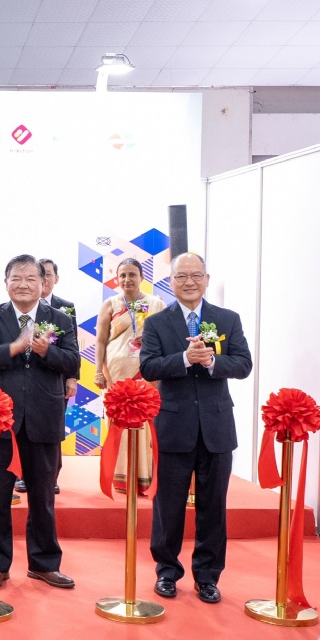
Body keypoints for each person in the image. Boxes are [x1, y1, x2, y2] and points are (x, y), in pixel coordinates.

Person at [141, 252, 252, 604]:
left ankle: (207, 577)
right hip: (174, 426)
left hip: (217, 427)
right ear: (170, 282)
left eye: (195, 275)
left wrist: (213, 361)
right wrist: (185, 359)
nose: (189, 282)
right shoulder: (157, 323)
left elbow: (243, 364)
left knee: (213, 506)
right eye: (181, 276)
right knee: (168, 505)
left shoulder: (227, 319)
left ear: (206, 279)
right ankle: (167, 572)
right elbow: (148, 367)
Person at [0, 254, 79, 591]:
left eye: (31, 278)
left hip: (44, 417)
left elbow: (73, 361)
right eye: (16, 278)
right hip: (0, 422)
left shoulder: (60, 318)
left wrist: (47, 353)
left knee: (43, 497)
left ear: (43, 283)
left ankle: (44, 564)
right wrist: (14, 348)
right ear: (6, 283)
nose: (23, 285)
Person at [93, 258, 167, 495]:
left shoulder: (156, 304)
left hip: (147, 372)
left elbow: (166, 339)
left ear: (142, 277)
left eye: (132, 274)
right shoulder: (110, 304)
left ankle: (144, 476)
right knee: (120, 421)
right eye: (122, 275)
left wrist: (152, 342)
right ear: (117, 278)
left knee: (145, 421)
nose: (127, 279)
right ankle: (121, 476)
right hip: (116, 373)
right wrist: (98, 371)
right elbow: (100, 341)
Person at [16, 256, 75, 496]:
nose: (46, 279)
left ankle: (52, 476)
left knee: (50, 430)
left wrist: (71, 377)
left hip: (52, 383)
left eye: (48, 274)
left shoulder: (64, 309)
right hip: (20, 387)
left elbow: (72, 352)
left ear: (52, 279)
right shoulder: (13, 310)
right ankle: (22, 475)